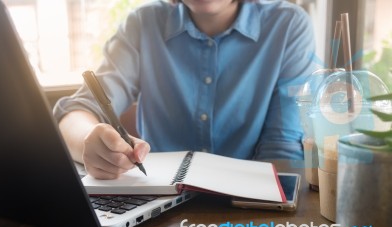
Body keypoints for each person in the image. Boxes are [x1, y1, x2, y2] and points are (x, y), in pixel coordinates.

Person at [53, 0, 316, 179]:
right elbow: (77, 111)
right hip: (158, 208)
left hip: (251, 208)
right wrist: (90, 141)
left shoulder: (288, 25)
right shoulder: (143, 23)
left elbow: (282, 147)